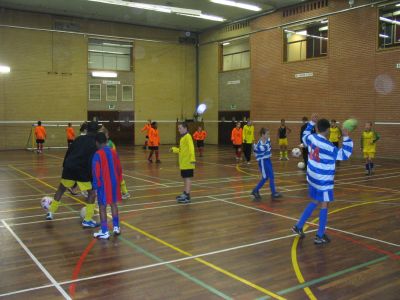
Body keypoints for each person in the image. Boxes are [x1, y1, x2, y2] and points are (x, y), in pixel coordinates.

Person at [291, 114, 353, 244]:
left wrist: (311, 123)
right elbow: (345, 154)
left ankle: (298, 226)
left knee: (314, 200)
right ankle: (320, 235)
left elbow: (305, 134)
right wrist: (346, 136)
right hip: (322, 181)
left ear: (318, 128)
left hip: (312, 177)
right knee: (324, 204)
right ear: (328, 130)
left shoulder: (311, 138)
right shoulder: (329, 146)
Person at [45, 121, 100, 228]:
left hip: (69, 167)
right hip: (82, 169)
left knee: (61, 189)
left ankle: (50, 212)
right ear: (97, 131)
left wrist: (65, 165)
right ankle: (88, 219)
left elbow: (68, 152)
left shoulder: (78, 139)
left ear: (87, 130)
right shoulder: (96, 143)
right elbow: (93, 160)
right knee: (92, 193)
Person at [92, 132, 122, 239]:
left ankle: (104, 231)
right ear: (106, 141)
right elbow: (119, 168)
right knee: (114, 204)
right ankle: (116, 227)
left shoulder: (97, 154)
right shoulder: (114, 152)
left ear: (97, 142)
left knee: (102, 207)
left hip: (103, 185)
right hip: (114, 183)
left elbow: (96, 172)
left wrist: (95, 186)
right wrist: (119, 181)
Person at [98, 126, 130, 199]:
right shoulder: (103, 143)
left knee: (118, 178)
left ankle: (124, 192)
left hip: (112, 164)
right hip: (108, 164)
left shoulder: (109, 144)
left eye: (102, 134)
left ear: (107, 135)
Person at [251, 128, 282, 201]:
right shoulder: (259, 143)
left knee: (271, 176)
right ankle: (255, 190)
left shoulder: (267, 140)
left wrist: (256, 149)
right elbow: (258, 151)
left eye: (269, 133)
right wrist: (257, 149)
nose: (269, 135)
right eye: (267, 134)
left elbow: (265, 148)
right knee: (265, 178)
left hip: (268, 159)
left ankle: (273, 192)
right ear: (263, 135)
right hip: (262, 161)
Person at [171, 122, 196, 204]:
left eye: (180, 128)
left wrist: (192, 159)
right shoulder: (182, 138)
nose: (179, 130)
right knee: (185, 179)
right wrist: (174, 149)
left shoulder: (188, 137)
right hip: (183, 163)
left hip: (188, 162)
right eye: (178, 128)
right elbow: (181, 150)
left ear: (185, 128)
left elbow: (191, 148)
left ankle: (187, 196)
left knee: (188, 179)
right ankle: (185, 193)